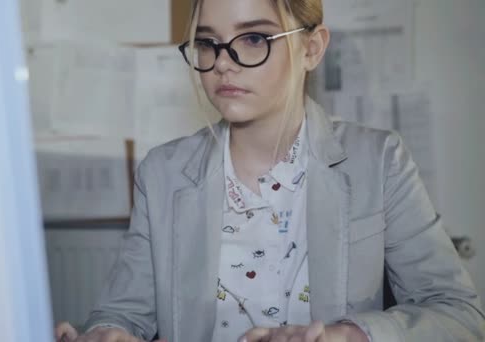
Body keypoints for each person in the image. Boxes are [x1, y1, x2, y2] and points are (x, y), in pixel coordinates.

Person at [55, 0, 485, 341]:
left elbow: (459, 315)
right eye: (207, 43)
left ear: (312, 48)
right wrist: (107, 333)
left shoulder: (380, 160)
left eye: (254, 38)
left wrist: (354, 335)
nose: (223, 62)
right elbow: (122, 312)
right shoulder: (162, 173)